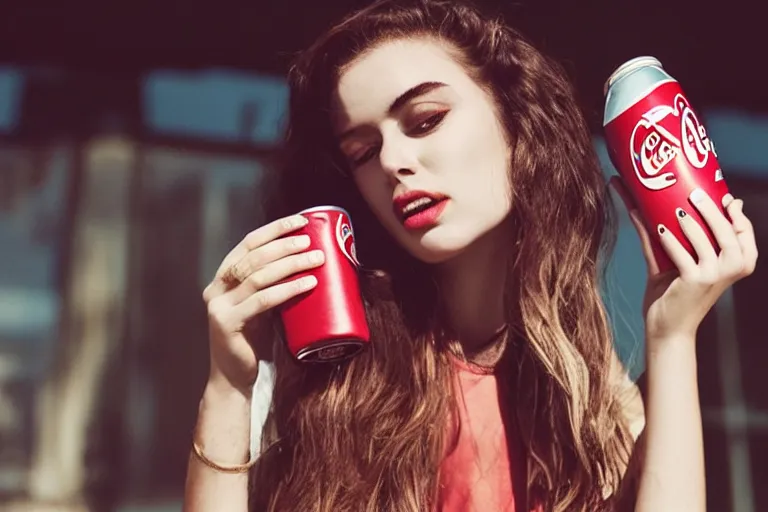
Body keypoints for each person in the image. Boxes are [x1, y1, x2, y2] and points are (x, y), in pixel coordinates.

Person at [183, 1, 758, 511]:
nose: (394, 163)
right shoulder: (333, 389)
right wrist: (228, 389)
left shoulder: (593, 406)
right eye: (363, 151)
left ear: (516, 123)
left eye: (426, 120)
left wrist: (674, 340)